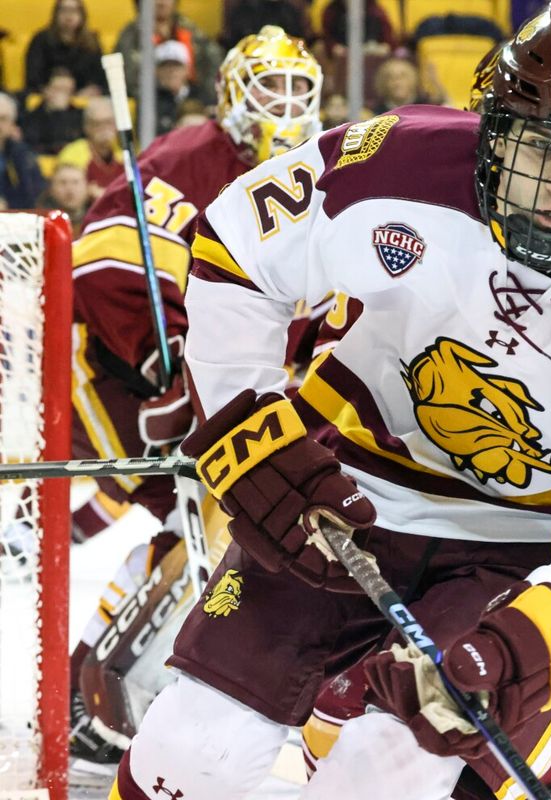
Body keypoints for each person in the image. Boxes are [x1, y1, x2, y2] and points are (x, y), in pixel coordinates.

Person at [104, 6, 551, 800]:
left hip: (521, 544)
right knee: (185, 751)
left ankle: (535, 758)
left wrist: (538, 635)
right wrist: (252, 435)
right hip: (339, 496)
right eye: (537, 145)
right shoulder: (395, 161)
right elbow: (235, 245)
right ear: (491, 124)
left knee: (378, 773)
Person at [67, 25, 322, 769]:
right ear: (233, 95)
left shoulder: (312, 173)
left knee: (208, 540)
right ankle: (101, 694)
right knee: (198, 535)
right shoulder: (186, 160)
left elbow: (314, 308)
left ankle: (100, 697)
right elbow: (107, 263)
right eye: (267, 86)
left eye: (295, 88)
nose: (282, 102)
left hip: (211, 408)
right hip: (120, 394)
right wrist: (165, 355)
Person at [115, 0, 223, 106]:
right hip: (149, 107)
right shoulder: (131, 36)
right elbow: (126, 80)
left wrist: (204, 101)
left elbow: (214, 65)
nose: (161, 2)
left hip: (193, 103)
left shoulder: (190, 29)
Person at [23, 0, 106, 94]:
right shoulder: (41, 40)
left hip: (85, 98)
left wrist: (93, 90)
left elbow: (100, 79)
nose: (69, 15)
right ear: (56, 14)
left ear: (82, 15)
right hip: (49, 97)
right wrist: (48, 90)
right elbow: (33, 78)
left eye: (74, 10)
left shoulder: (92, 43)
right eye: (64, 10)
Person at [57, 95, 124, 204]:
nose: (104, 129)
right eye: (97, 124)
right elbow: (67, 193)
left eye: (108, 122)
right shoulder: (72, 153)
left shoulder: (125, 155)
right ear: (86, 127)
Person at [19, 67, 85, 156]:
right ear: (45, 90)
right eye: (58, 89)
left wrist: (62, 113)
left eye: (67, 90)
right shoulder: (32, 116)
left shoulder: (81, 115)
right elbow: (34, 143)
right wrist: (58, 113)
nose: (63, 95)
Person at [0, 93, 46, 210]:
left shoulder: (23, 155)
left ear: (12, 124)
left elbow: (32, 194)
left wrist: (8, 206)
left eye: (3, 119)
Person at [36, 161, 90, 234]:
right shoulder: (39, 223)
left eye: (75, 182)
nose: (70, 189)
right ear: (51, 189)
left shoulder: (98, 221)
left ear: (87, 187)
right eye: (63, 182)